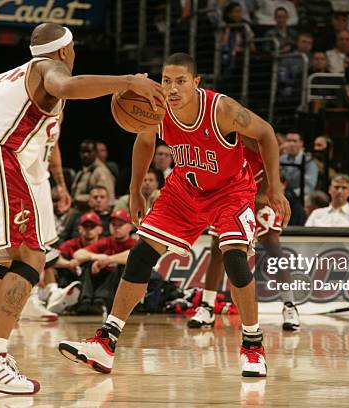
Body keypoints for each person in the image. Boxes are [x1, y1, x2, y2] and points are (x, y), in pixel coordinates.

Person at [0, 22, 165, 395]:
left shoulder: (5, 78)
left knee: (2, 260)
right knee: (32, 254)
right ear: (66, 50)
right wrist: (128, 81)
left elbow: (43, 140)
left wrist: (58, 184)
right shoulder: (48, 68)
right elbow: (65, 87)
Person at [58, 53, 290, 378]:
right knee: (140, 255)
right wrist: (136, 189)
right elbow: (143, 143)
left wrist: (275, 188)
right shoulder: (157, 108)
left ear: (196, 82)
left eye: (180, 81)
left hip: (230, 191)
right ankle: (106, 342)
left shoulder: (220, 109)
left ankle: (253, 345)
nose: (172, 88)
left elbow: (265, 133)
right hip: (184, 189)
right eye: (167, 80)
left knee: (235, 259)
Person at [188, 140, 300, 331]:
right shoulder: (218, 136)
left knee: (274, 248)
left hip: (257, 195)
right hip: (230, 197)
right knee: (217, 250)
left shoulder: (251, 134)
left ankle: (290, 306)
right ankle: (207, 307)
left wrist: (266, 192)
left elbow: (270, 160)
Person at [71, 139, 116, 209]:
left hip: (96, 213)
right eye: (83, 152)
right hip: (78, 210)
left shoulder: (101, 172)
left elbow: (106, 198)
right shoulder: (81, 172)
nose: (85, 155)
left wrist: (77, 198)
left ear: (95, 153)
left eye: (89, 152)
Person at [279, 132, 318, 198]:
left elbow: (309, 187)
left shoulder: (309, 161)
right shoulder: (282, 159)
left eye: (294, 141)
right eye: (288, 141)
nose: (291, 144)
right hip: (284, 195)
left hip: (301, 197)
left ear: (301, 143)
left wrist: (290, 194)